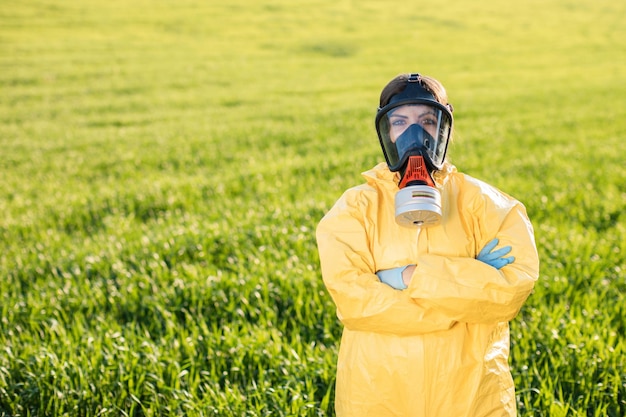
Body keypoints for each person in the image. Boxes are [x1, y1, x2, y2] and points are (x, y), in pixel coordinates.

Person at [316, 73, 540, 416]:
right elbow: (354, 302)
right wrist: (465, 286)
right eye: (400, 122)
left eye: (427, 121)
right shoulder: (354, 209)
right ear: (386, 132)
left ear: (443, 130)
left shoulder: (488, 205)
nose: (414, 135)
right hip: (378, 394)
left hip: (471, 396)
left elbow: (511, 290)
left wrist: (401, 278)